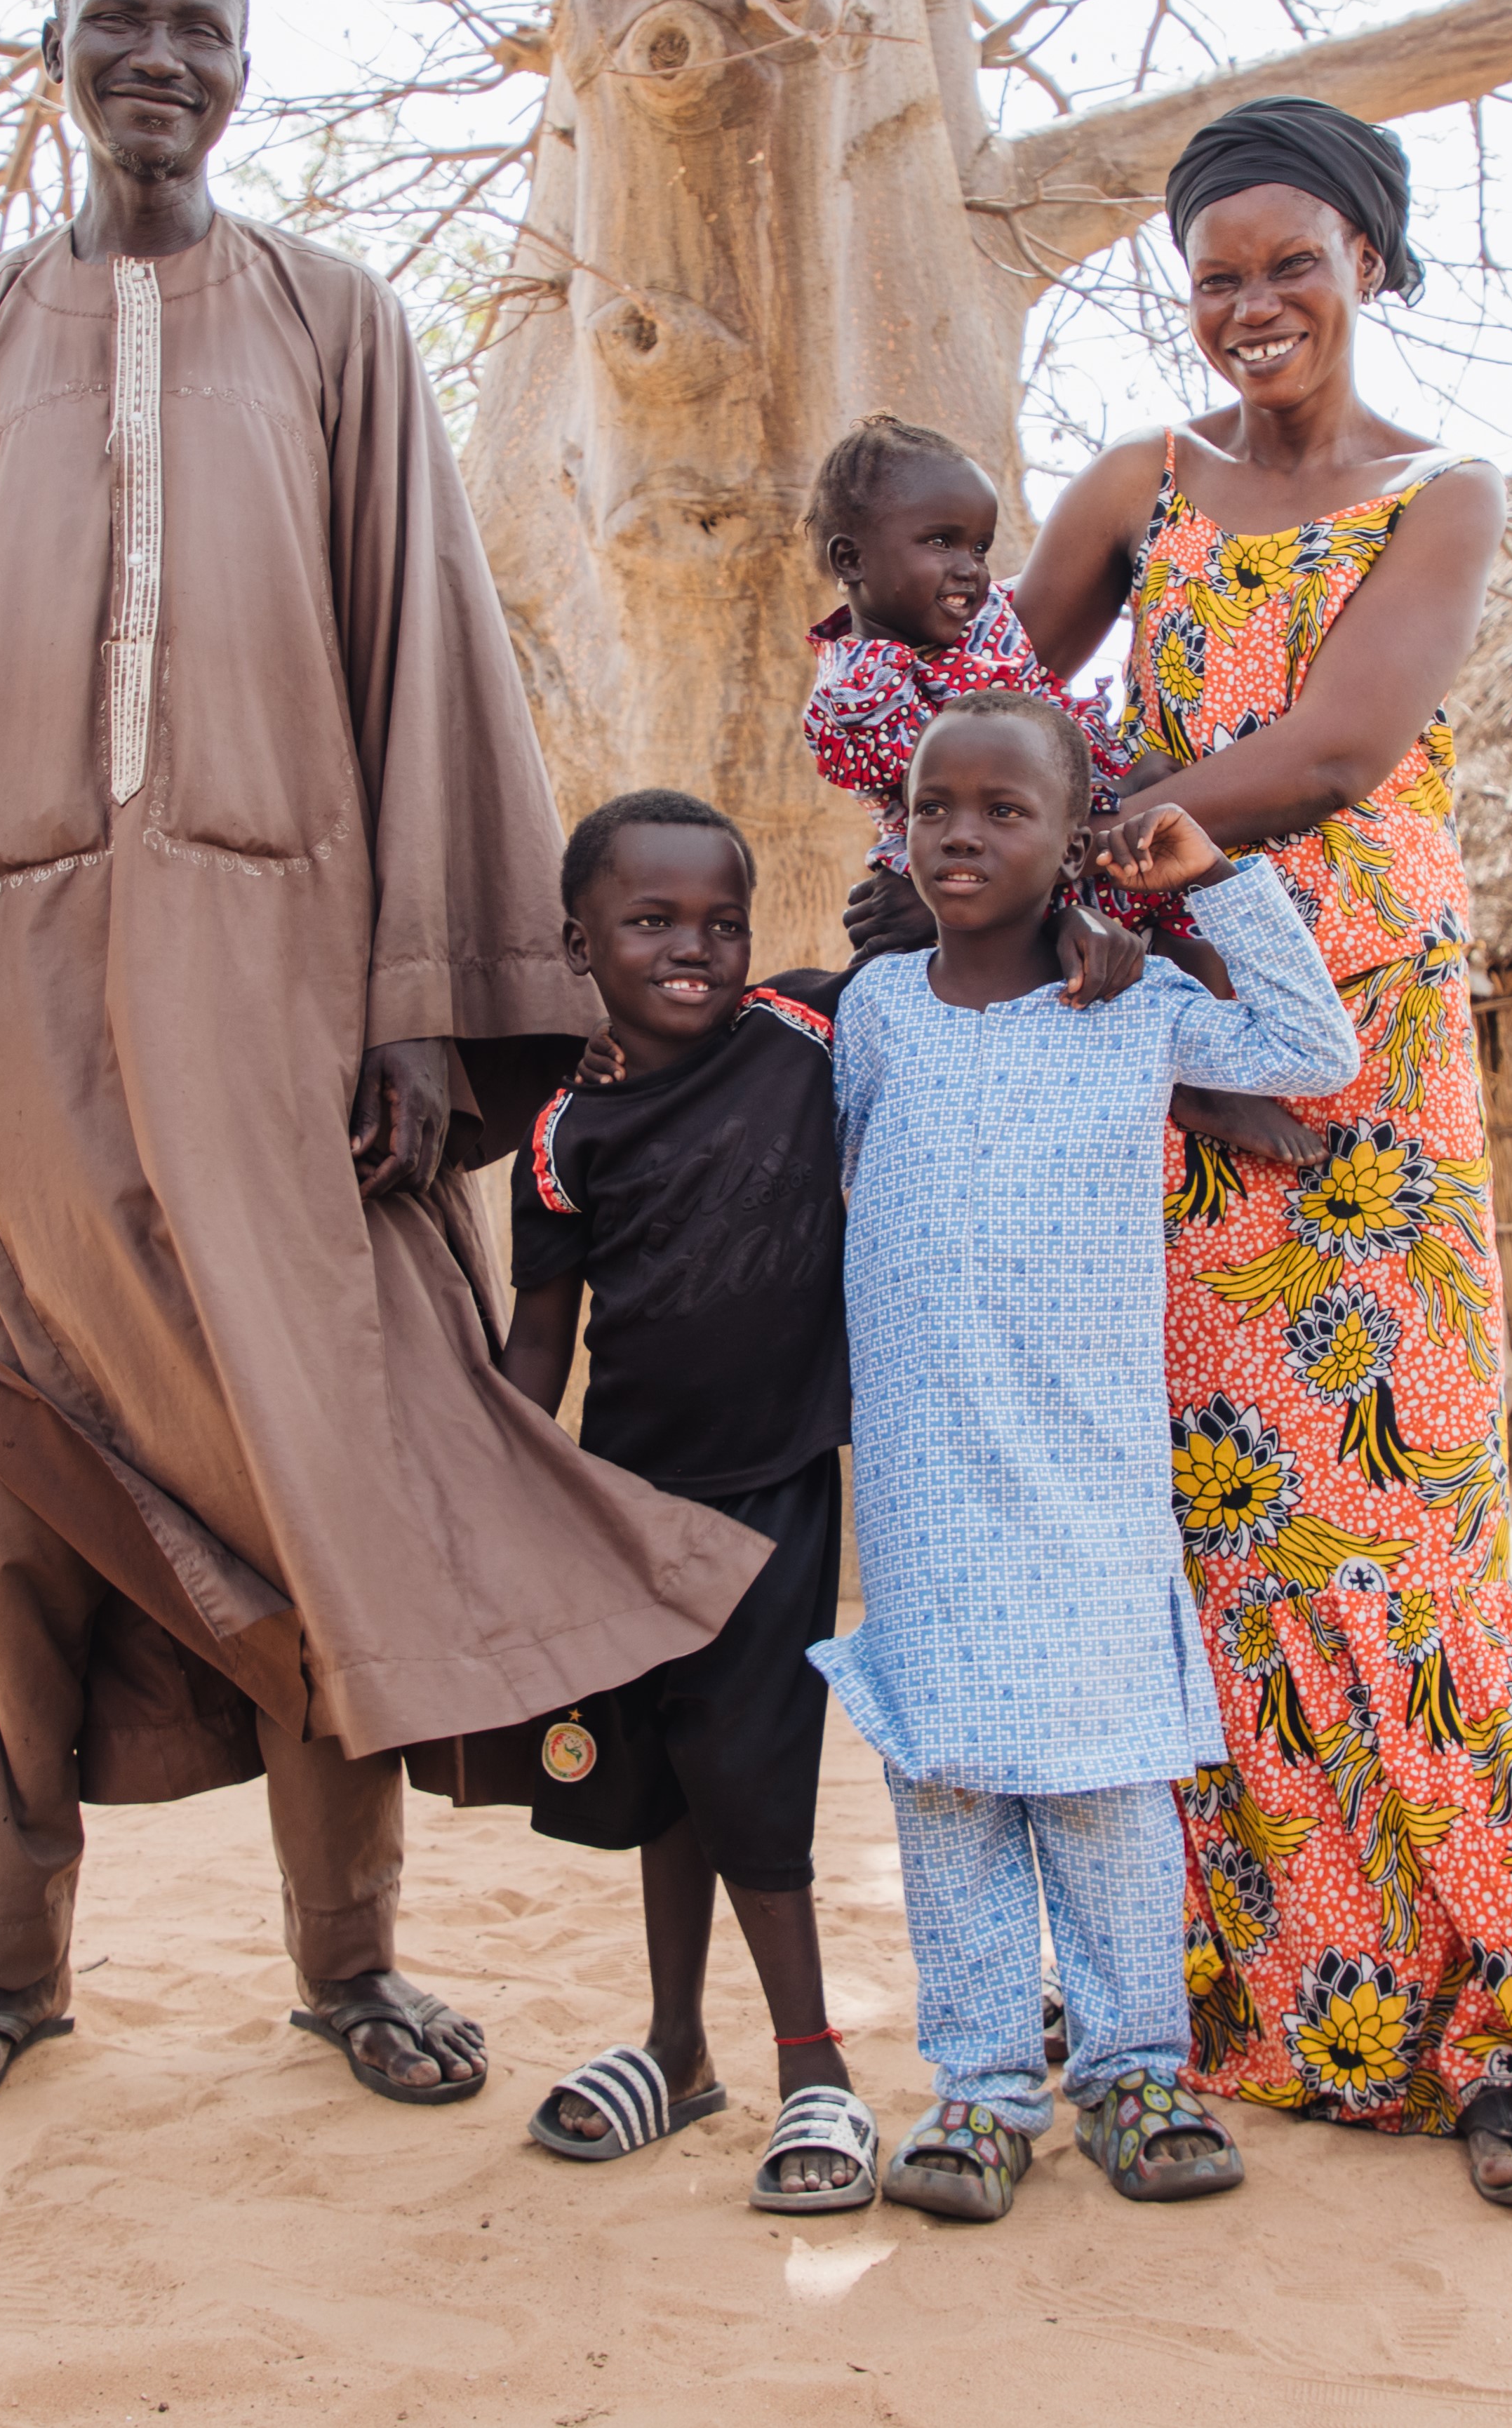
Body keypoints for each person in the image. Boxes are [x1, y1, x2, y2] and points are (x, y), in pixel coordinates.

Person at [0, 0, 772, 2120]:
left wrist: (426, 1010)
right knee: (17, 1482)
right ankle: (13, 1961)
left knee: (318, 1460)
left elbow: (423, 660)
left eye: (200, 29)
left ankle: (349, 1965)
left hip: (288, 1013)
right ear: (53, 49)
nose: (157, 58)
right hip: (16, 988)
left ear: (244, 70)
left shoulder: (334, 322)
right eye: (118, 23)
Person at [1001, 92, 1512, 2203]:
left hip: (1366, 1077)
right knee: (1217, 1542)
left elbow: (1340, 751)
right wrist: (928, 746)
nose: (1252, 304)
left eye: (1291, 264)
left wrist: (1124, 824)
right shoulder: (1136, 485)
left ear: (1372, 272)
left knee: (1409, 1543)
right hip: (1154, 1061)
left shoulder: (1445, 490)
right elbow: (981, 677)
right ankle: (1253, 1989)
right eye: (1217, 271)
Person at [821, 691, 1359, 2222]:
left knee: (1111, 1778)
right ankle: (983, 2089)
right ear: (900, 826)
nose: (962, 834)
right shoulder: (875, 1010)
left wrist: (1205, 879)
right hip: (926, 1475)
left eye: (1004, 810)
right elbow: (854, 1167)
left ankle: (1134, 2068)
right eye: (936, 806)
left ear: (1070, 841)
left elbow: (1308, 1050)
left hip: (1089, 1472)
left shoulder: (1127, 1008)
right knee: (949, 1778)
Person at [496, 790, 877, 2213]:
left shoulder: (808, 1032)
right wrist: (489, 1486)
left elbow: (927, 961)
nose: (695, 948)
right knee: (662, 1767)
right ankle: (677, 2043)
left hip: (774, 1488)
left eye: (723, 921)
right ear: (578, 938)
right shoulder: (561, 1127)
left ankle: (814, 2062)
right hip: (626, 1507)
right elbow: (541, 1342)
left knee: (753, 1775)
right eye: (651, 921)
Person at [798, 413, 1320, 1173]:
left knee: (1176, 895)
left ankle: (1211, 1059)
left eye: (980, 546)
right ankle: (1198, 1086)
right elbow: (951, 795)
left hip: (1059, 822)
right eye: (941, 542)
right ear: (853, 558)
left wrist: (1113, 779)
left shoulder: (986, 626)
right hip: (974, 851)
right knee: (1107, 934)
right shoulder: (860, 686)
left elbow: (1045, 714)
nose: (971, 568)